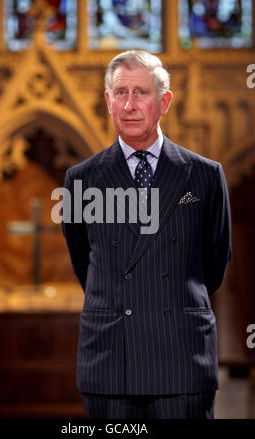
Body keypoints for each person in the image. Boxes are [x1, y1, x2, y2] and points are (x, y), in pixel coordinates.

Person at [62, 50, 232, 419]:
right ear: (108, 101)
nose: (130, 105)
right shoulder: (81, 180)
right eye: (120, 93)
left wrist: (166, 298)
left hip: (181, 355)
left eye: (141, 92)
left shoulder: (204, 175)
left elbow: (214, 263)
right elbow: (85, 263)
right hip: (110, 357)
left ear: (164, 101)